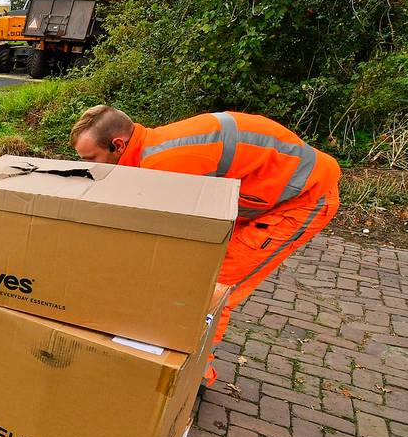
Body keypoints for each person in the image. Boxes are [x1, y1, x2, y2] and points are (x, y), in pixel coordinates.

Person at [70, 106, 341, 384]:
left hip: (303, 200)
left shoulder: (167, 164)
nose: (93, 167)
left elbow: (170, 240)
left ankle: (194, 377)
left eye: (93, 158)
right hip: (259, 197)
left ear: (118, 145)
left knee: (214, 288)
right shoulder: (154, 148)